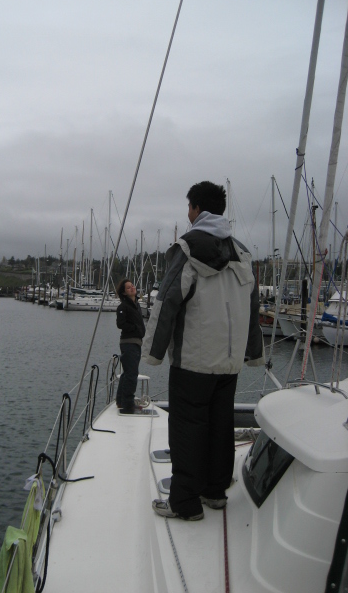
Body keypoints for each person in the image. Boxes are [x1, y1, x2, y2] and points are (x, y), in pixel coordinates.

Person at [142, 181, 264, 521]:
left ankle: (185, 502)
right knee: (220, 426)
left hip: (194, 361)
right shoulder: (242, 253)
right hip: (229, 363)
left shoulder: (187, 248)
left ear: (196, 209)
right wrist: (253, 353)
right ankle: (214, 492)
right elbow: (253, 306)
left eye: (189, 207)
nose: (188, 213)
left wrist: (153, 352)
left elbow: (168, 301)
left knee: (188, 428)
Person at [115, 279, 146, 415]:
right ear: (124, 293)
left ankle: (121, 401)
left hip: (136, 342)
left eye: (132, 286)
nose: (132, 288)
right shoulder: (123, 307)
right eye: (128, 288)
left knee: (127, 372)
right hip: (128, 343)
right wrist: (135, 329)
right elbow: (120, 324)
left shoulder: (136, 305)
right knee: (132, 374)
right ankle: (128, 404)